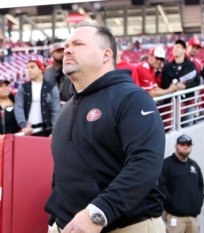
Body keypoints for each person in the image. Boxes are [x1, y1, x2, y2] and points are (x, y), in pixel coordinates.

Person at [45, 22, 166, 233]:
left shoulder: (133, 98)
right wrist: (54, 221)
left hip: (125, 225)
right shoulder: (64, 112)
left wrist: (99, 212)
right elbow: (61, 175)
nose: (67, 49)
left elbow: (145, 162)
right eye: (66, 46)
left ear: (105, 54)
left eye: (78, 43)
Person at [159, 135, 204, 233]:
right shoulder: (166, 164)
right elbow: (161, 185)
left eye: (188, 145)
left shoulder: (194, 166)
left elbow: (200, 187)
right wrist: (170, 203)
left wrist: (198, 203)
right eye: (182, 144)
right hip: (175, 217)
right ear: (176, 146)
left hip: (193, 218)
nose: (185, 147)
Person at [14, 58, 60, 137]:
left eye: (32, 67)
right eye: (27, 68)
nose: (29, 70)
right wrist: (23, 126)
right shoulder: (23, 87)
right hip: (28, 130)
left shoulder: (51, 88)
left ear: (40, 69)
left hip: (46, 130)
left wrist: (53, 130)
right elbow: (18, 107)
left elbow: (55, 110)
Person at [162, 40, 200, 127]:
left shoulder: (191, 65)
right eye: (174, 48)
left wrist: (185, 86)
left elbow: (196, 82)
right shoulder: (168, 66)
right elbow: (164, 84)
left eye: (178, 47)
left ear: (184, 50)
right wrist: (173, 87)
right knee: (172, 126)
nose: (175, 49)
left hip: (188, 101)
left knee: (187, 125)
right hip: (172, 103)